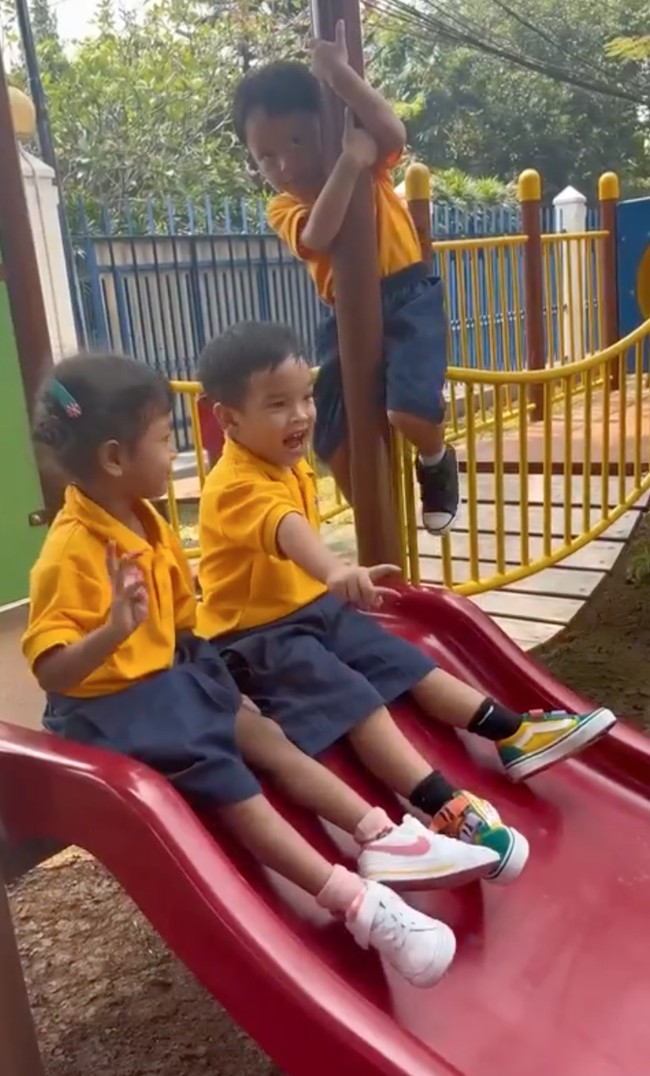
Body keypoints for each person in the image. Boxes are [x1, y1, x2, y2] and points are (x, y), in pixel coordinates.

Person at [20, 352, 501, 992]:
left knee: (264, 733)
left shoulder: (144, 518)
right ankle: (358, 904)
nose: (174, 451)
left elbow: (179, 623)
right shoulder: (70, 552)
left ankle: (383, 836)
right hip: (112, 708)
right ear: (114, 458)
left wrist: (214, 683)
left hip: (167, 673)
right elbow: (53, 671)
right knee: (230, 780)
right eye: (163, 440)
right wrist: (113, 631)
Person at [195, 321, 617, 854]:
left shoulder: (281, 462)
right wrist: (334, 570)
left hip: (309, 608)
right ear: (229, 419)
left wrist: (330, 584)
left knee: (405, 662)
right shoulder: (233, 484)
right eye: (278, 404)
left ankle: (511, 733)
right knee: (358, 700)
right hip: (255, 638)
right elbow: (285, 527)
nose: (301, 414)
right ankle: (445, 806)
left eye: (306, 396)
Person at [232, 22, 459, 534]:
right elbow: (319, 234)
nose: (285, 164)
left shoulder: (369, 165)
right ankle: (377, 523)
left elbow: (392, 132)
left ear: (327, 128)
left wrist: (339, 76)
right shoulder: (284, 205)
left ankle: (436, 460)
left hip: (407, 296)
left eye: (298, 141)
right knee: (333, 436)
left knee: (409, 411)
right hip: (345, 317)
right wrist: (350, 163)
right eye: (266, 155)